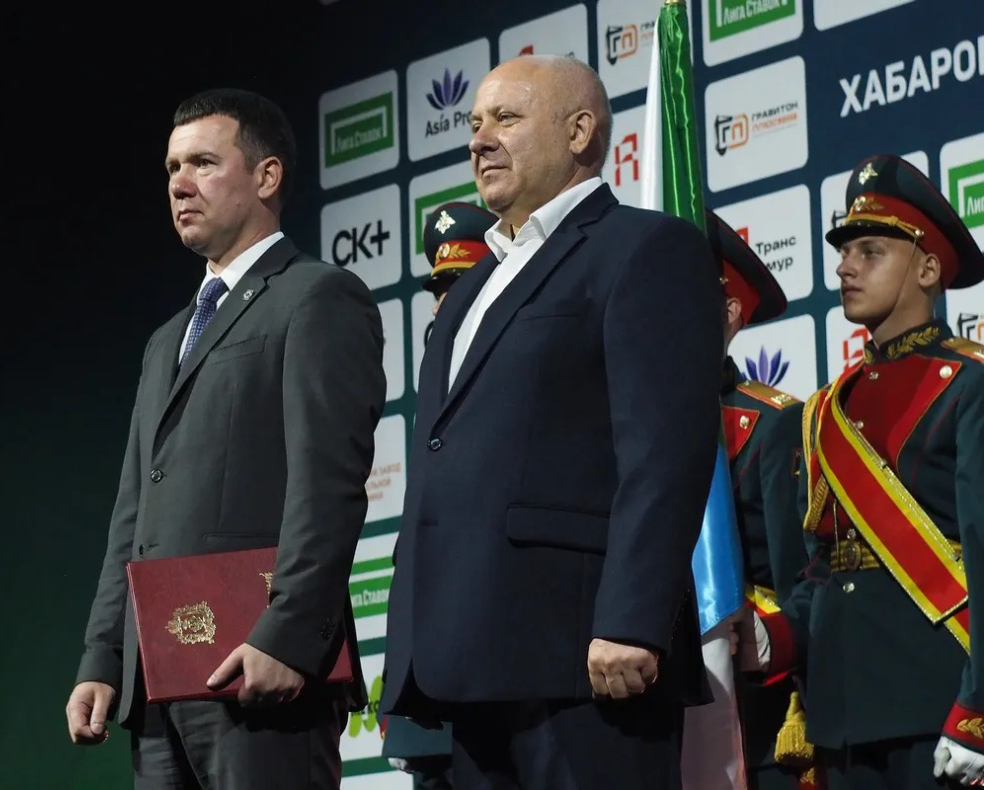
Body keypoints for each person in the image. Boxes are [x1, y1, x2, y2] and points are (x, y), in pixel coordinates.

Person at [380, 54, 721, 789]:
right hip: (461, 663)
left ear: (579, 132)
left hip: (582, 656)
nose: (479, 140)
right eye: (474, 123)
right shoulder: (470, 290)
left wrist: (631, 618)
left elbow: (663, 453)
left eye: (505, 118)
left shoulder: (645, 247)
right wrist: (407, 644)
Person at [63, 88, 386, 790]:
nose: (179, 184)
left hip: (262, 672)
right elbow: (133, 515)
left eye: (203, 163)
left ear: (266, 176)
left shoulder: (317, 296)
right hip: (158, 680)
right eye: (172, 168)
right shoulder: (165, 341)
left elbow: (327, 488)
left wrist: (289, 637)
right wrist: (105, 655)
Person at [751, 154, 984, 788]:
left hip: (938, 709)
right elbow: (823, 572)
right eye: (844, 251)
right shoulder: (824, 411)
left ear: (928, 269)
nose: (844, 267)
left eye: (871, 251)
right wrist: (773, 639)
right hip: (842, 718)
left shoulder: (968, 386)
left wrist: (977, 709)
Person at [681, 211, 815, 790]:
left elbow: (799, 575)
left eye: (688, 293)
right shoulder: (625, 424)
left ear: (730, 313)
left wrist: (766, 635)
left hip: (751, 702)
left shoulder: (773, 423)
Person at [382, 200, 498, 790]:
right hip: (430, 682)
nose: (442, 304)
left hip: (501, 663)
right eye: (440, 289)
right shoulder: (436, 371)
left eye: (461, 284)